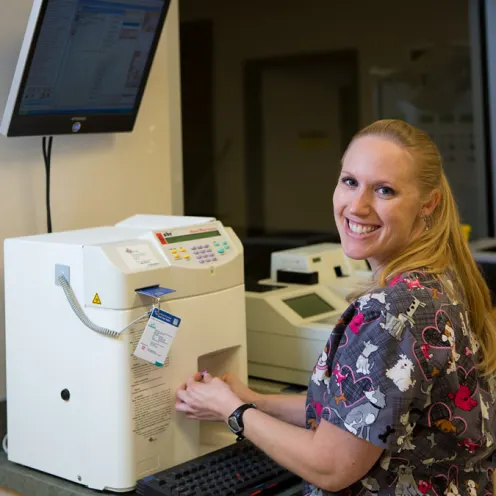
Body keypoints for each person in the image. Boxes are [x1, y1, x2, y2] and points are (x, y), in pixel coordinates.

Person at [175, 119, 496, 495]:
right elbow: (359, 412)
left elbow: (330, 466)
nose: (357, 206)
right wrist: (255, 400)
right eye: (350, 181)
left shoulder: (392, 311)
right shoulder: (441, 278)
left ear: (429, 203)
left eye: (385, 190)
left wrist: (232, 411)